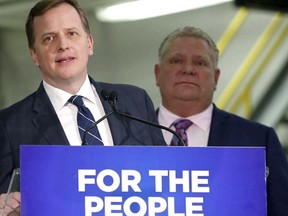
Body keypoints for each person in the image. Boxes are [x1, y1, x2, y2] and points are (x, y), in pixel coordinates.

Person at [0, 0, 166, 214]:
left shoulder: (135, 101)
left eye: (71, 33)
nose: (62, 45)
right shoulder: (8, 126)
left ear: (89, 43)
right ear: (34, 55)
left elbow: (165, 174)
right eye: (49, 38)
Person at [154, 26, 288, 215]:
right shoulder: (124, 136)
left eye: (200, 63)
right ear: (157, 73)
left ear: (216, 78)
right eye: (177, 61)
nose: (188, 69)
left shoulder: (258, 139)